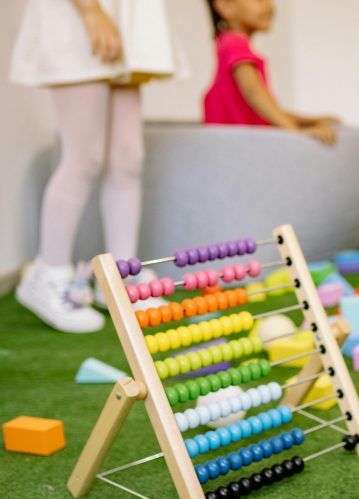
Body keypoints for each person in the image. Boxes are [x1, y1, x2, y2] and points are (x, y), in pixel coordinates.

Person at [11, 0, 181, 333]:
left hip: (123, 19)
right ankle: (49, 273)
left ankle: (121, 277)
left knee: (127, 159)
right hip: (81, 15)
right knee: (84, 157)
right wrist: (90, 10)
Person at [204, 0, 338, 145]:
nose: (269, 6)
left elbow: (258, 111)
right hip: (243, 148)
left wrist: (309, 121)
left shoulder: (227, 44)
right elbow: (254, 93)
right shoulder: (236, 45)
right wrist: (296, 133)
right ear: (225, 6)